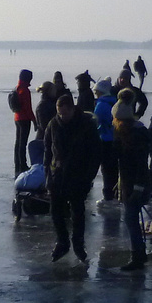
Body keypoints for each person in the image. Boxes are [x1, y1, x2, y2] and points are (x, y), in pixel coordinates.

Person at [43, 92, 99, 263]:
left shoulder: (86, 125)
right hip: (57, 175)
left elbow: (95, 154)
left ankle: (78, 244)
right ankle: (62, 242)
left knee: (78, 213)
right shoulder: (53, 124)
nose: (62, 116)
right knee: (56, 211)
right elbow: (47, 150)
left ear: (72, 109)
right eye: (59, 113)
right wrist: (48, 174)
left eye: (65, 113)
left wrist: (88, 177)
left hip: (78, 176)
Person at [114, 90, 152, 271]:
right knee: (130, 220)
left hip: (136, 185)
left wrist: (137, 188)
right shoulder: (130, 133)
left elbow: (140, 165)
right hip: (130, 184)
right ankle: (140, 254)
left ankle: (138, 256)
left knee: (131, 220)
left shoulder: (135, 135)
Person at [93, 79, 118, 200]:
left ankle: (108, 194)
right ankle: (115, 192)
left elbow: (95, 121)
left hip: (104, 139)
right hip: (115, 138)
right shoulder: (114, 102)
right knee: (113, 168)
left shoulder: (101, 104)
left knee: (106, 169)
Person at [10, 69, 36, 175]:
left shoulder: (16, 89)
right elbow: (28, 108)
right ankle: (23, 165)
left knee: (18, 143)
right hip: (24, 119)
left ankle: (17, 164)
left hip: (17, 118)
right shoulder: (25, 91)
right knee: (23, 143)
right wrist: (34, 121)